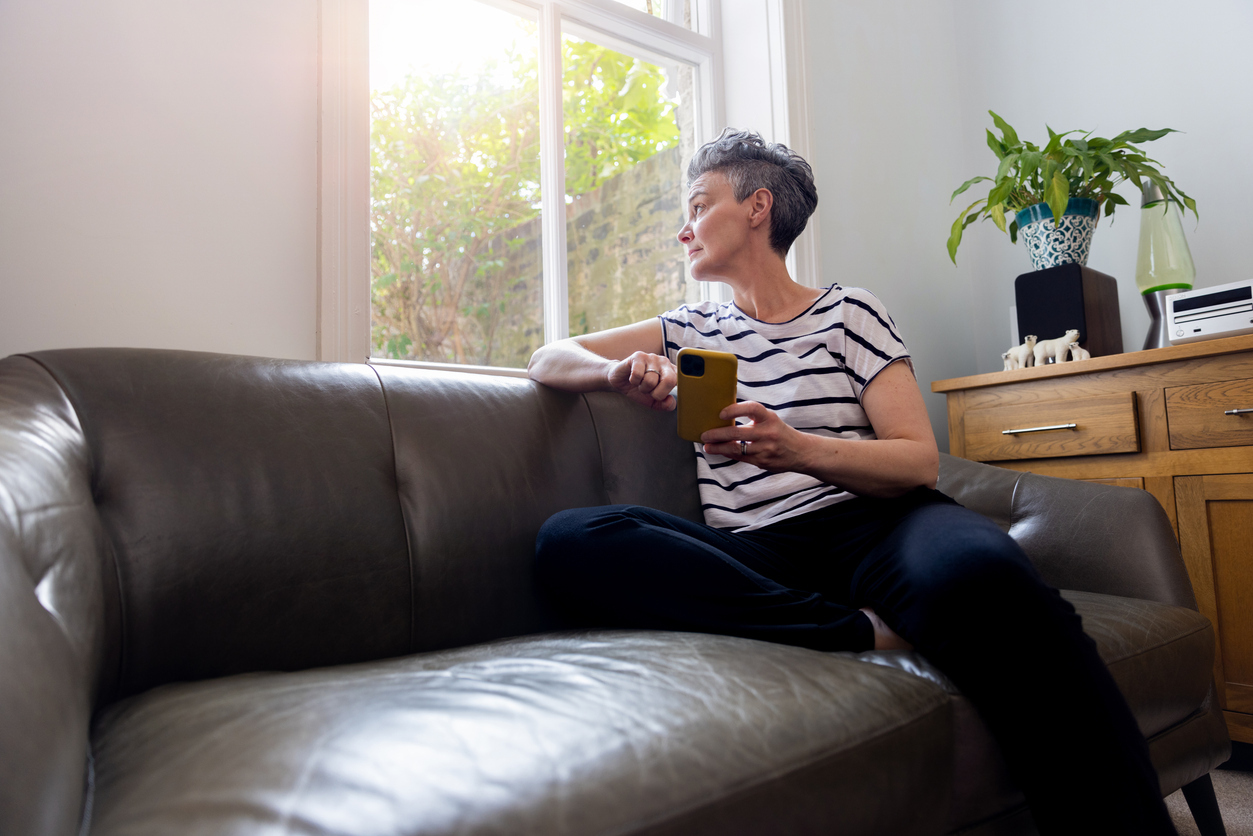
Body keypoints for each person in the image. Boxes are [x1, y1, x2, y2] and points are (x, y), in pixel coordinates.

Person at [527, 128, 1176, 835]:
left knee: (991, 579)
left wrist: (797, 449)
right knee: (573, 540)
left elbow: (915, 461)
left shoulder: (849, 312)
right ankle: (857, 630)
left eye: (697, 205)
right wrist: (613, 372)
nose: (682, 231)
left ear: (756, 207)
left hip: (880, 522)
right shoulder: (687, 327)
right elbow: (547, 358)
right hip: (757, 550)